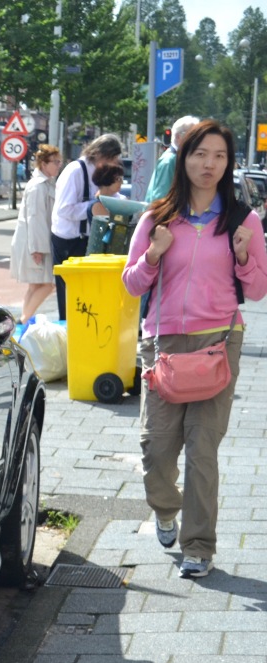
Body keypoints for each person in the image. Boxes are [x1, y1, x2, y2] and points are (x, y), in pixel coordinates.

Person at [122, 119, 267, 579]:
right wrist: (153, 255)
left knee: (202, 449)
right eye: (201, 154)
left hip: (219, 340)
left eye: (220, 156)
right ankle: (166, 508)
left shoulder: (244, 220)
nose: (210, 164)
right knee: (157, 448)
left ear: (229, 163)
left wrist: (244, 256)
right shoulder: (157, 218)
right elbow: (131, 284)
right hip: (162, 342)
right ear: (183, 158)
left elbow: (259, 289)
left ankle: (199, 546)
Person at [51, 133, 124, 320]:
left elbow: (109, 197)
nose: (113, 164)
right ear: (101, 154)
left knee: (87, 296)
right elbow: (64, 210)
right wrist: (92, 207)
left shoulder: (99, 171)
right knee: (69, 296)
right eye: (111, 159)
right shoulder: (75, 171)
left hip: (87, 239)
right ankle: (69, 333)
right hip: (68, 241)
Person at [10, 143, 62, 322]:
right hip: (35, 243)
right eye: (55, 162)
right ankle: (24, 319)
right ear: (43, 164)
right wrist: (37, 249)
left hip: (36, 241)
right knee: (49, 284)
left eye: (59, 162)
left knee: (35, 285)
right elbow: (35, 218)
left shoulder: (44, 184)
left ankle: (23, 320)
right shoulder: (38, 186)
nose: (58, 165)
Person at [145, 115, 201, 203]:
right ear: (179, 137)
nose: (198, 140)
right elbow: (161, 198)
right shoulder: (170, 160)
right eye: (193, 135)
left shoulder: (175, 158)